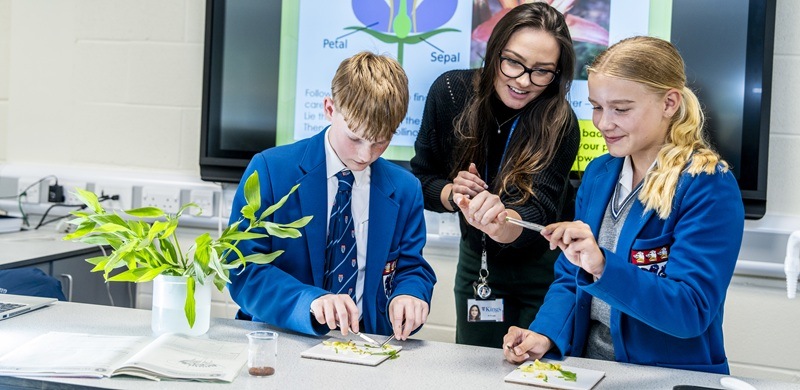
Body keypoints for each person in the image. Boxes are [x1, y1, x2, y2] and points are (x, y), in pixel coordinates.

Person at [502, 36, 745, 374]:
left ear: (669, 103)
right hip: (592, 371)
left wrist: (602, 265)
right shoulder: (600, 173)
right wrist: (545, 333)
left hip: (665, 376)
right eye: (597, 106)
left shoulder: (707, 184)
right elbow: (570, 277)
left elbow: (690, 312)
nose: (603, 123)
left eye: (621, 109)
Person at [227, 51, 436, 340]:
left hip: (367, 345)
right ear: (329, 109)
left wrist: (409, 295)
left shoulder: (405, 189)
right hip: (283, 337)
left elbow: (412, 268)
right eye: (355, 138)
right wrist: (310, 302)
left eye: (380, 142)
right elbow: (243, 269)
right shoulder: (271, 170)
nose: (365, 155)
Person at [410, 2, 579, 348]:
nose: (522, 81)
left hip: (543, 271)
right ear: (494, 49)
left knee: (537, 372)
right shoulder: (451, 93)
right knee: (474, 371)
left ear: (557, 74)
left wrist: (499, 222)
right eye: (513, 62)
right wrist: (452, 195)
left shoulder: (560, 122)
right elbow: (422, 179)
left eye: (541, 71)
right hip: (479, 266)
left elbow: (540, 210)